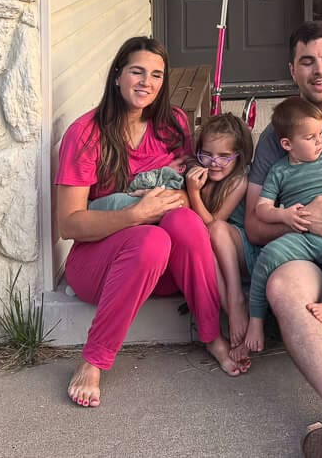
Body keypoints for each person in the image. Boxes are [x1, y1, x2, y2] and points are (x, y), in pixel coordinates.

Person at [55, 36, 246, 409]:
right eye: (137, 72)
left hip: (163, 274)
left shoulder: (171, 122)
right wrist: (134, 214)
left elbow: (191, 174)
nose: (147, 82)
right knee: (151, 241)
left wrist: (182, 191)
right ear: (117, 75)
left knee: (186, 225)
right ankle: (94, 360)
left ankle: (212, 335)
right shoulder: (85, 134)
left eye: (156, 75)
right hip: (101, 266)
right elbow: (69, 225)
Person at [246, 97, 322, 353]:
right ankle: (255, 319)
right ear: (287, 144)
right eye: (310, 137)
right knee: (268, 256)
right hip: (301, 237)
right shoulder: (279, 171)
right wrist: (286, 216)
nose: (319, 141)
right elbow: (262, 208)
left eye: (320, 134)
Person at [185, 112, 255, 363]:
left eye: (225, 156)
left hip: (243, 252)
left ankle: (237, 300)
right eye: (207, 154)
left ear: (239, 156)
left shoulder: (239, 182)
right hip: (218, 255)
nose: (214, 162)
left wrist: (194, 194)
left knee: (214, 231)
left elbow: (215, 223)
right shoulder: (200, 175)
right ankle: (232, 311)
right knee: (204, 249)